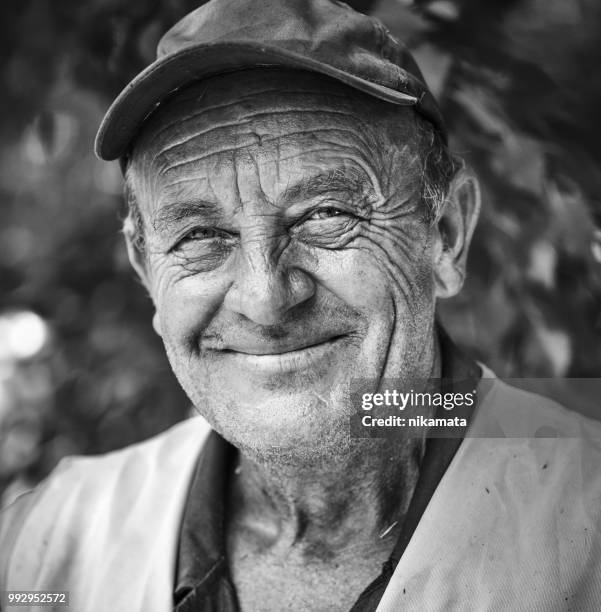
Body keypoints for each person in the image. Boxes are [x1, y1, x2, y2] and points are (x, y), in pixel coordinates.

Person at [1, 0, 601, 610]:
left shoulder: (587, 516)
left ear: (444, 234)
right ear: (146, 269)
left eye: (325, 216)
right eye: (200, 237)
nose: (265, 299)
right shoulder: (50, 541)